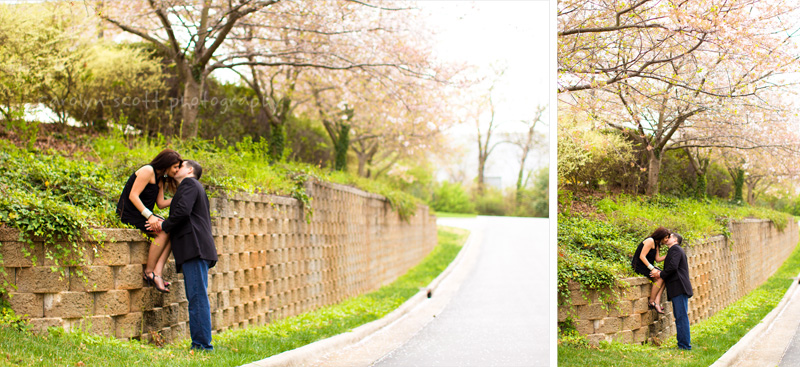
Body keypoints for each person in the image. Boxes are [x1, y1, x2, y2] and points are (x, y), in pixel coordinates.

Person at [150, 160, 217, 351]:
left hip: (194, 248)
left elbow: (182, 212)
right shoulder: (192, 188)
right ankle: (202, 344)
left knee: (197, 297)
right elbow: (176, 210)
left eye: (181, 166)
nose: (177, 168)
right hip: (196, 249)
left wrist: (162, 225)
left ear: (189, 170)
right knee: (197, 296)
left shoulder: (189, 184)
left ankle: (202, 346)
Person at [116, 149, 182, 293]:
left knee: (171, 228)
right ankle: (149, 272)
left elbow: (160, 203)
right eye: (175, 167)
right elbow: (133, 196)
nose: (177, 170)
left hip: (142, 215)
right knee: (163, 232)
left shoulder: (160, 178)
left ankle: (157, 273)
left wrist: (182, 197)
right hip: (129, 214)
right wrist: (150, 216)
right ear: (167, 164)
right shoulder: (147, 170)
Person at [651, 233, 693, 350]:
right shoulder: (674, 250)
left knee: (681, 317)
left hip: (679, 287)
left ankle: (684, 346)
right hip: (678, 288)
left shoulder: (675, 249)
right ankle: (683, 344)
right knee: (680, 316)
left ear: (675, 240)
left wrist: (660, 273)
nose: (667, 238)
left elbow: (673, 267)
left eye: (669, 237)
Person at [631, 226, 670, 314]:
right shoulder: (650, 241)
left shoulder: (657, 244)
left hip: (648, 266)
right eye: (666, 238)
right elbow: (642, 256)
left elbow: (657, 259)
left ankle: (657, 301)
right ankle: (651, 301)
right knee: (659, 277)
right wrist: (652, 269)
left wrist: (669, 255)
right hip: (639, 266)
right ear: (661, 236)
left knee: (664, 275)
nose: (667, 240)